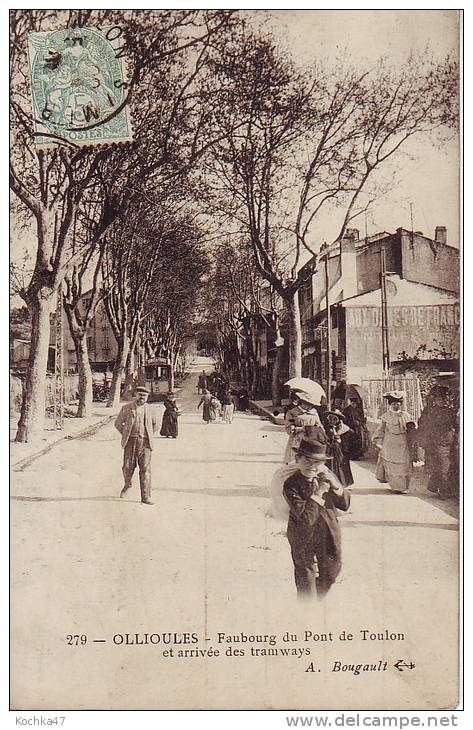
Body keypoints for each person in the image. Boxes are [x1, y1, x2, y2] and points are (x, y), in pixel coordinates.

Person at [283, 438, 351, 599]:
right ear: (297, 459)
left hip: (327, 532)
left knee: (331, 572)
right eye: (307, 460)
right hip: (302, 535)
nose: (312, 466)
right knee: (306, 578)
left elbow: (345, 505)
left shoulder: (326, 478)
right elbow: (305, 518)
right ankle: (307, 609)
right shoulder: (291, 484)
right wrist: (319, 492)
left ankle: (315, 599)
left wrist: (336, 487)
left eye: (317, 462)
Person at [114, 385, 158, 505]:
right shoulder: (126, 408)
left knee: (145, 469)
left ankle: (146, 496)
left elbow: (155, 425)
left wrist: (146, 435)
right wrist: (126, 433)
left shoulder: (151, 410)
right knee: (127, 467)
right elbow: (118, 423)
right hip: (130, 442)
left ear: (147, 397)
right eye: (139, 395)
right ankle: (127, 484)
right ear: (135, 395)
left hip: (145, 443)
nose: (141, 397)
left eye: (144, 396)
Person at [372, 391, 416, 493]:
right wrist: (377, 440)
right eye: (394, 404)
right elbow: (381, 430)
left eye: (398, 404)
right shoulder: (386, 417)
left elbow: (411, 430)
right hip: (390, 444)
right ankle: (396, 487)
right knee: (392, 465)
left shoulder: (406, 415)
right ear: (390, 405)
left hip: (402, 443)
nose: (396, 406)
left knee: (403, 464)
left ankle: (403, 487)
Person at [417, 386, 456, 499]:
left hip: (448, 442)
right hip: (435, 443)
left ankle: (435, 487)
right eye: (439, 399)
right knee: (443, 467)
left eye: (444, 399)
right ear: (435, 400)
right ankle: (443, 491)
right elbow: (422, 425)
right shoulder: (430, 411)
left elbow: (456, 426)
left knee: (443, 467)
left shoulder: (450, 411)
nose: (442, 401)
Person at [283, 391, 326, 464]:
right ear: (302, 402)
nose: (309, 406)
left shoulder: (314, 412)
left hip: (312, 440)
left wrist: (319, 431)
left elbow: (319, 425)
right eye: (307, 403)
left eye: (311, 404)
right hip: (298, 440)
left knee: (310, 461)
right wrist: (301, 429)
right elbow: (289, 428)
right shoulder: (292, 413)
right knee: (296, 460)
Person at [323, 410, 354, 488]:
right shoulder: (326, 427)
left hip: (340, 449)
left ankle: (342, 482)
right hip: (329, 449)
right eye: (330, 418)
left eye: (334, 419)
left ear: (338, 420)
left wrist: (341, 441)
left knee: (340, 465)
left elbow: (349, 435)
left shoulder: (343, 428)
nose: (332, 421)